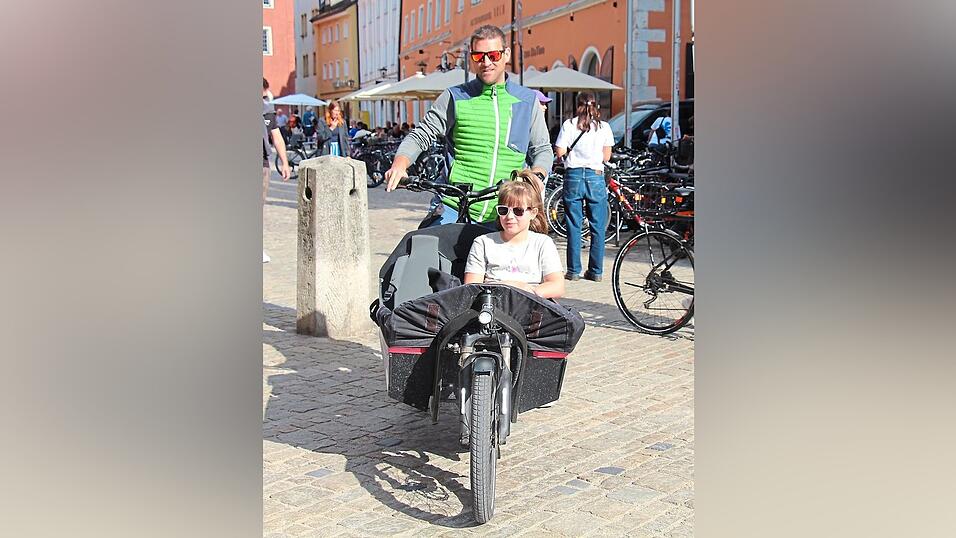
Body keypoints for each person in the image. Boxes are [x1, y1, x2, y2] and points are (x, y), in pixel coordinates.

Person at [384, 24, 553, 227]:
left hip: (504, 212)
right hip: (455, 206)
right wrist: (400, 165)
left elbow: (542, 149)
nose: (486, 62)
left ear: (506, 54)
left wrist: (535, 178)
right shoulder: (455, 97)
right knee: (421, 249)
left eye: (493, 55)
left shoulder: (526, 101)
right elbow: (422, 134)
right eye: (478, 56)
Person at [463, 172, 565, 299]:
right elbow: (471, 287)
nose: (509, 217)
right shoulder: (483, 243)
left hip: (530, 306)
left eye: (518, 211)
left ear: (533, 213)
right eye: (503, 210)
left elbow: (557, 285)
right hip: (492, 305)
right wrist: (504, 288)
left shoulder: (543, 243)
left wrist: (524, 291)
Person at [554, 92, 614, 282]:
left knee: (574, 224)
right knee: (598, 226)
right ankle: (595, 271)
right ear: (596, 106)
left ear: (577, 105)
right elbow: (606, 157)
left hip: (573, 176)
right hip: (595, 176)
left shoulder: (569, 124)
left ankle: (574, 271)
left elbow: (560, 151)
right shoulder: (604, 127)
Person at [262, 77, 291, 263]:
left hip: (262, 162)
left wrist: (285, 162)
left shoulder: (267, 111)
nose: (265, 95)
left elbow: (276, 136)